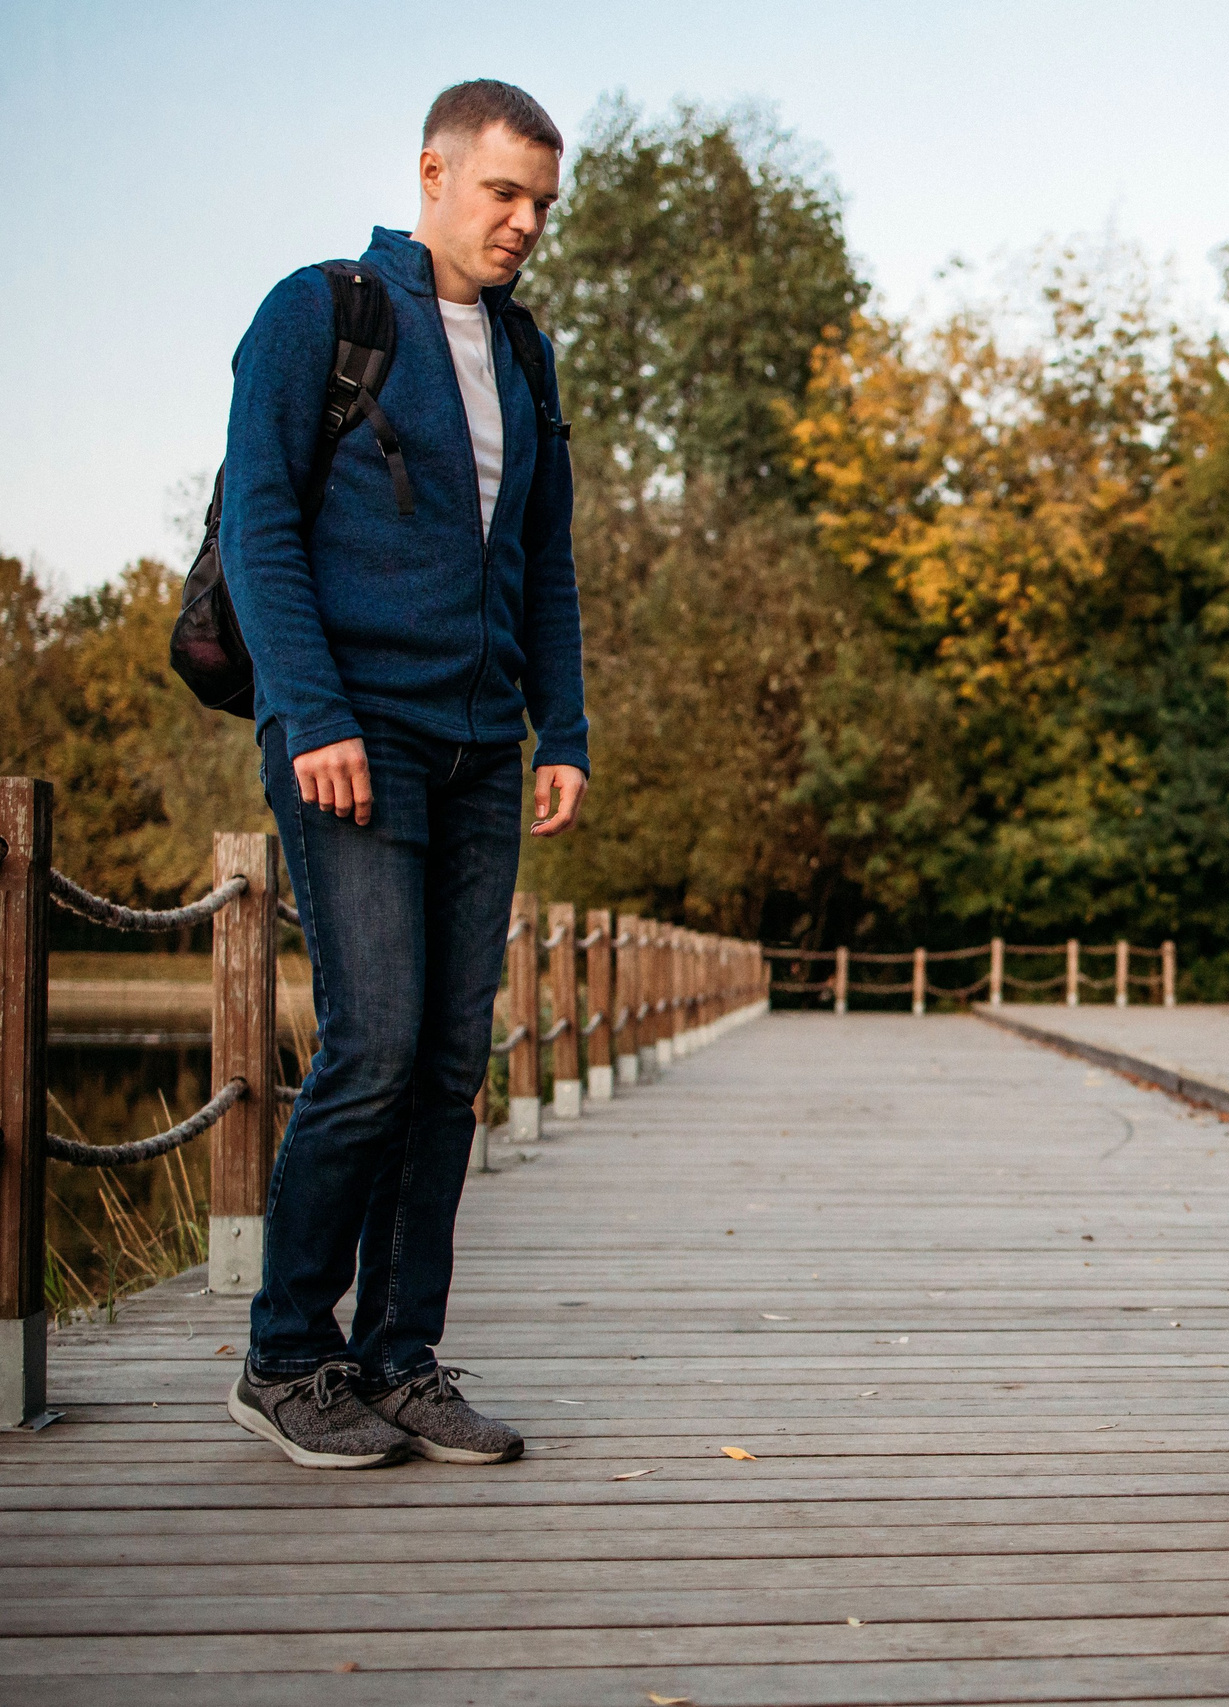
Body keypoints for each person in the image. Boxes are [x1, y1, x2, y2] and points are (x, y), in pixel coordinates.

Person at [219, 80, 588, 1469]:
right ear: (434, 172)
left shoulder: (526, 354)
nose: (523, 222)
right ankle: (284, 1350)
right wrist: (312, 713)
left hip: (480, 747)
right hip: (349, 737)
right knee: (371, 1046)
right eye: (503, 192)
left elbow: (540, 562)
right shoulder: (323, 312)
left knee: (445, 1065)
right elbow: (259, 524)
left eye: (543, 202)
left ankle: (401, 1354)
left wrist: (567, 730)